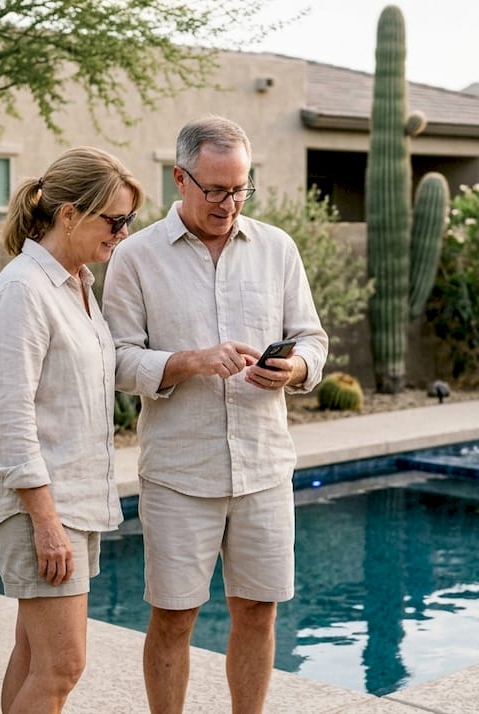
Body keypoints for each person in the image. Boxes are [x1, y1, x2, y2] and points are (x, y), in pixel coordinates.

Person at [102, 116, 329, 714]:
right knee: (174, 617)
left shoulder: (278, 248)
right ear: (180, 178)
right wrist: (190, 361)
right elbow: (116, 363)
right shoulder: (134, 258)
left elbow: (311, 338)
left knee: (258, 610)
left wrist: (296, 369)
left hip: (263, 467)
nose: (230, 203)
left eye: (241, 188)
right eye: (216, 189)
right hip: (180, 473)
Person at [0, 146, 143, 714]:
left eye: (128, 221)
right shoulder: (22, 291)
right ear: (68, 214)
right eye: (113, 220)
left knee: (33, 656)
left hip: (73, 500)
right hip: (42, 508)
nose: (121, 233)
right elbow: (8, 418)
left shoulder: (77, 285)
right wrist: (46, 522)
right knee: (64, 665)